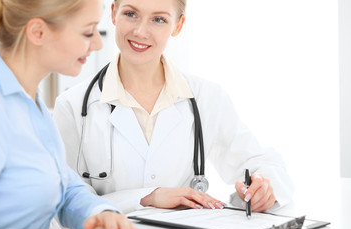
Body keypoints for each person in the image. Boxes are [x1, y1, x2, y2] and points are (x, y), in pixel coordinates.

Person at [53, 0, 294, 214]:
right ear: (114, 13)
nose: (140, 31)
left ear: (177, 26)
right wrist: (147, 197)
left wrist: (262, 188)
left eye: (158, 19)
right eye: (131, 14)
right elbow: (64, 199)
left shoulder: (206, 97)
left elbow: (261, 164)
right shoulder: (73, 106)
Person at [0, 0, 143, 229]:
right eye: (88, 32)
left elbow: (63, 185)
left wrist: (102, 213)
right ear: (38, 32)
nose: (97, 43)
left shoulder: (29, 102)